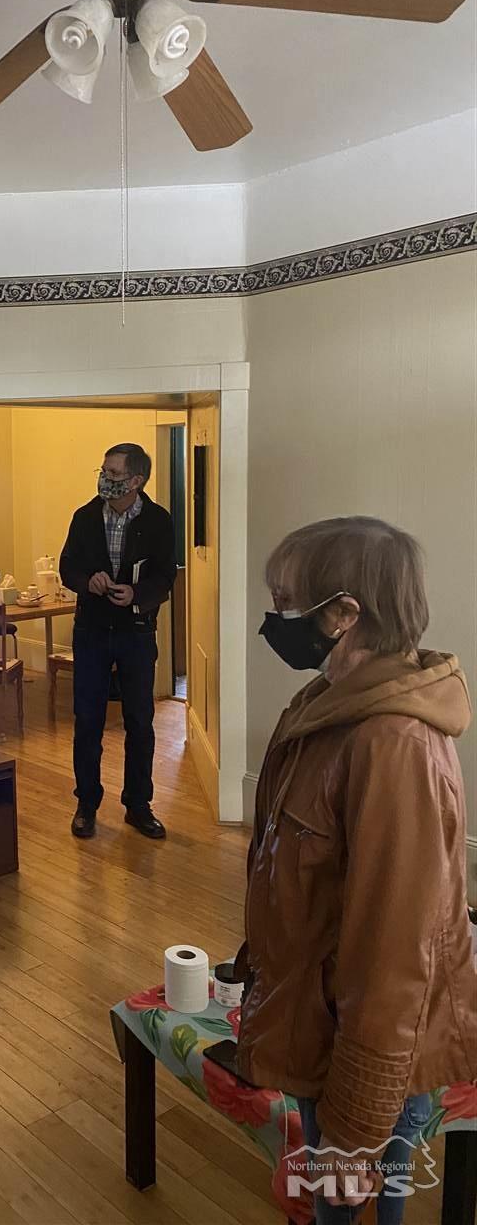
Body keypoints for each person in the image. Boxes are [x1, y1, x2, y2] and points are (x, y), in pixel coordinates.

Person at [235, 517, 477, 1223]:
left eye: (286, 602)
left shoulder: (394, 745)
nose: (275, 620)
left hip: (367, 1055)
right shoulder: (325, 706)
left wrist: (355, 1126)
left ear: (343, 613)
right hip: (320, 1023)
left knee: (349, 1207)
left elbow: (394, 957)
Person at [60, 443, 177, 840]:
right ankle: (86, 804)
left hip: (136, 632)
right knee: (87, 720)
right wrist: (87, 581)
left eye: (113, 473)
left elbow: (166, 576)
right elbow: (68, 567)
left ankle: (138, 805)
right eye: (103, 470)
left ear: (136, 480)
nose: (104, 478)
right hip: (91, 630)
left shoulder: (158, 520)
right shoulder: (85, 516)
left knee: (139, 721)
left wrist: (138, 594)